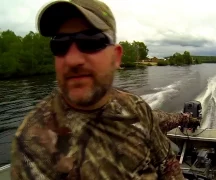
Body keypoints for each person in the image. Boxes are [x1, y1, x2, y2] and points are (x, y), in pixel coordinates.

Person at [10, 0, 186, 179]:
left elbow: (168, 166)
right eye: (60, 44)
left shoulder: (138, 109)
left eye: (90, 41)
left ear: (116, 57)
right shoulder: (31, 141)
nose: (72, 60)